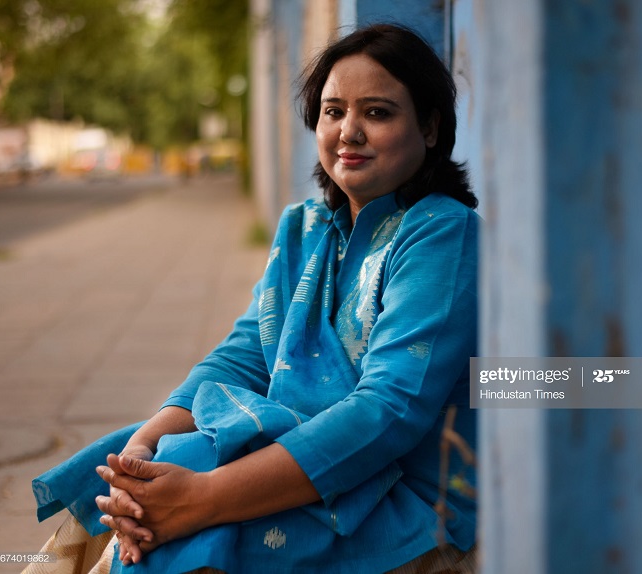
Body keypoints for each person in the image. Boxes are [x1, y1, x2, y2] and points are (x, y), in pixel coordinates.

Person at [29, 23, 479, 573]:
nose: (349, 132)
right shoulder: (304, 228)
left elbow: (390, 410)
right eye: (334, 111)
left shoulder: (441, 233)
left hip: (402, 498)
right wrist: (140, 453)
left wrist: (205, 498)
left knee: (179, 540)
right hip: (301, 456)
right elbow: (242, 356)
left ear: (430, 127)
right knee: (124, 494)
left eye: (378, 113)